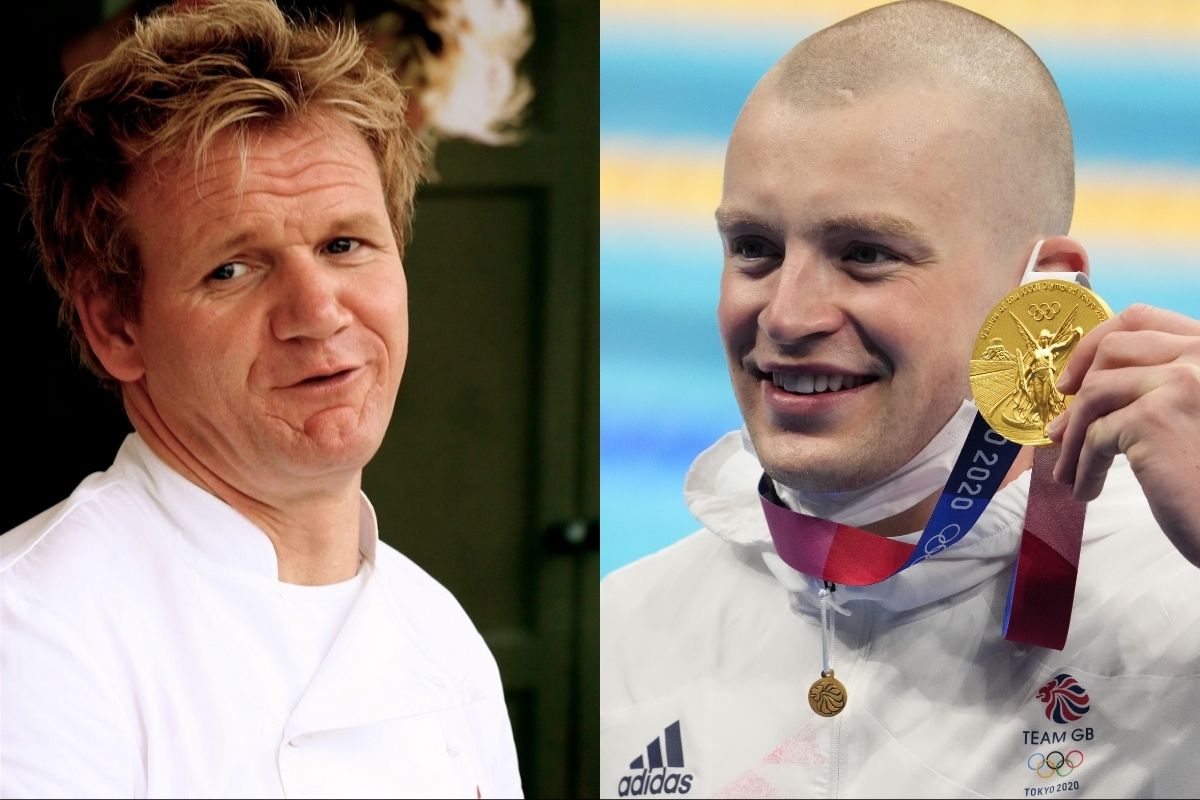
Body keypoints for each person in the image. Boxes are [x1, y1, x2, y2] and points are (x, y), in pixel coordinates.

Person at [600, 1, 1200, 797]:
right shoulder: (624, 630)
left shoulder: (1178, 597)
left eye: (867, 255)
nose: (786, 315)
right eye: (754, 248)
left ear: (1045, 286)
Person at [0, 1, 522, 797]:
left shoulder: (441, 638)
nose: (318, 312)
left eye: (345, 245)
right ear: (117, 328)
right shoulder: (35, 632)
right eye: (232, 269)